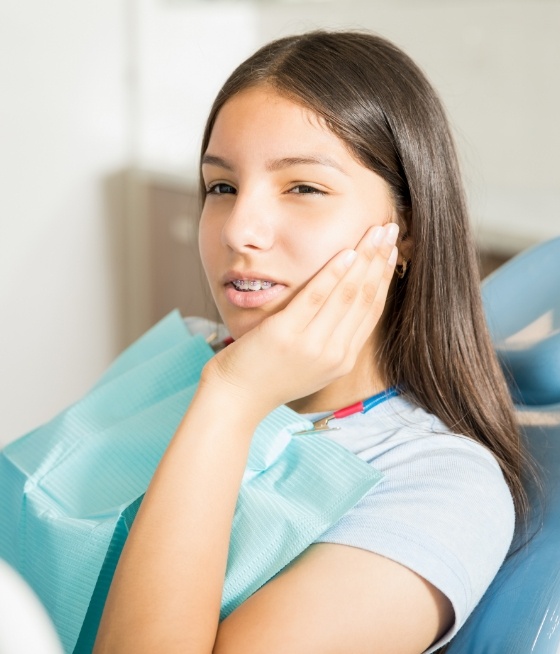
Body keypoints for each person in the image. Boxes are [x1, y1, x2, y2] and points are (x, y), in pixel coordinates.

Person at [93, 30, 529, 653]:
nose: (240, 229)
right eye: (221, 187)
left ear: (404, 233)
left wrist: (232, 400)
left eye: (302, 188)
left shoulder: (441, 486)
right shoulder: (181, 354)